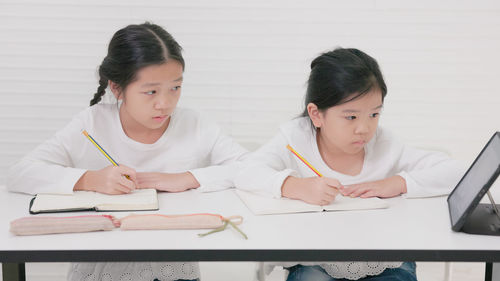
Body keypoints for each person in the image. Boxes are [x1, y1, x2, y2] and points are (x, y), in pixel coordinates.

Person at [7, 22, 247, 281]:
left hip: (175, 270)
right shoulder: (91, 123)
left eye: (175, 88)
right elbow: (20, 173)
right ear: (117, 88)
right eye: (151, 91)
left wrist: (186, 178)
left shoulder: (194, 124)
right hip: (99, 269)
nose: (165, 104)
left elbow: (252, 168)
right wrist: (90, 179)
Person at [234, 47, 465, 280]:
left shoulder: (384, 144)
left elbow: (458, 172)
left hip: (385, 261)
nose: (364, 129)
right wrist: (296, 186)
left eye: (374, 115)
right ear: (316, 115)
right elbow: (244, 172)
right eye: (351, 117)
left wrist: (398, 182)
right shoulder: (295, 139)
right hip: (316, 261)